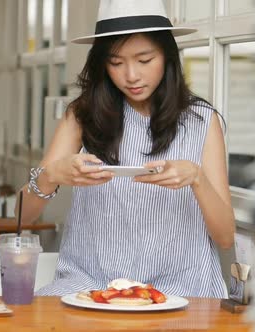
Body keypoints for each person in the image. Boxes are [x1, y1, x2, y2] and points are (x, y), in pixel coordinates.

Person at [16, 0, 235, 298]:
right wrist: (52, 174)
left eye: (144, 60)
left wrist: (197, 178)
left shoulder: (202, 121)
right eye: (116, 63)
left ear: (168, 57)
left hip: (179, 292)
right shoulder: (82, 115)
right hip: (90, 287)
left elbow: (225, 238)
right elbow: (21, 216)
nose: (131, 76)